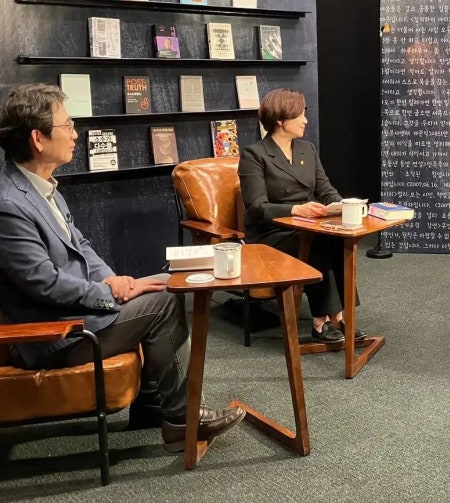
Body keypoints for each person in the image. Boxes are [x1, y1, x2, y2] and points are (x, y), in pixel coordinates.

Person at [0, 83, 245, 451]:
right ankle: (182, 419)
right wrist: (108, 293)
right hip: (55, 334)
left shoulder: (41, 186)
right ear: (38, 138)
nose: (75, 134)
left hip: (79, 311)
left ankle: (152, 405)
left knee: (172, 281)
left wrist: (113, 279)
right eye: (67, 126)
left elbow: (81, 245)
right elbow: (44, 284)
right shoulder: (9, 204)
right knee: (165, 301)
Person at [239, 88, 365, 344]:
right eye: (299, 115)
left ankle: (340, 316)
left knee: (339, 238)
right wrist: (296, 209)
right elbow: (256, 207)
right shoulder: (254, 154)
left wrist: (343, 205)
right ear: (280, 121)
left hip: (306, 226)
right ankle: (321, 321)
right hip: (271, 233)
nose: (305, 120)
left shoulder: (307, 149)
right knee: (316, 242)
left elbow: (326, 190)